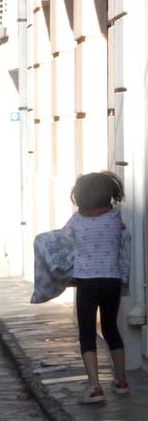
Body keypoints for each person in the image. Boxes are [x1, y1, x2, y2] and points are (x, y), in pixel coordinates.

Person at [60, 171, 131, 404]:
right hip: (111, 279)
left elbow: (63, 243)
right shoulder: (115, 220)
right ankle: (121, 381)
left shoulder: (77, 221)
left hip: (86, 282)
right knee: (111, 328)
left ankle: (94, 386)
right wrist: (124, 279)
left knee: (87, 332)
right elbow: (125, 251)